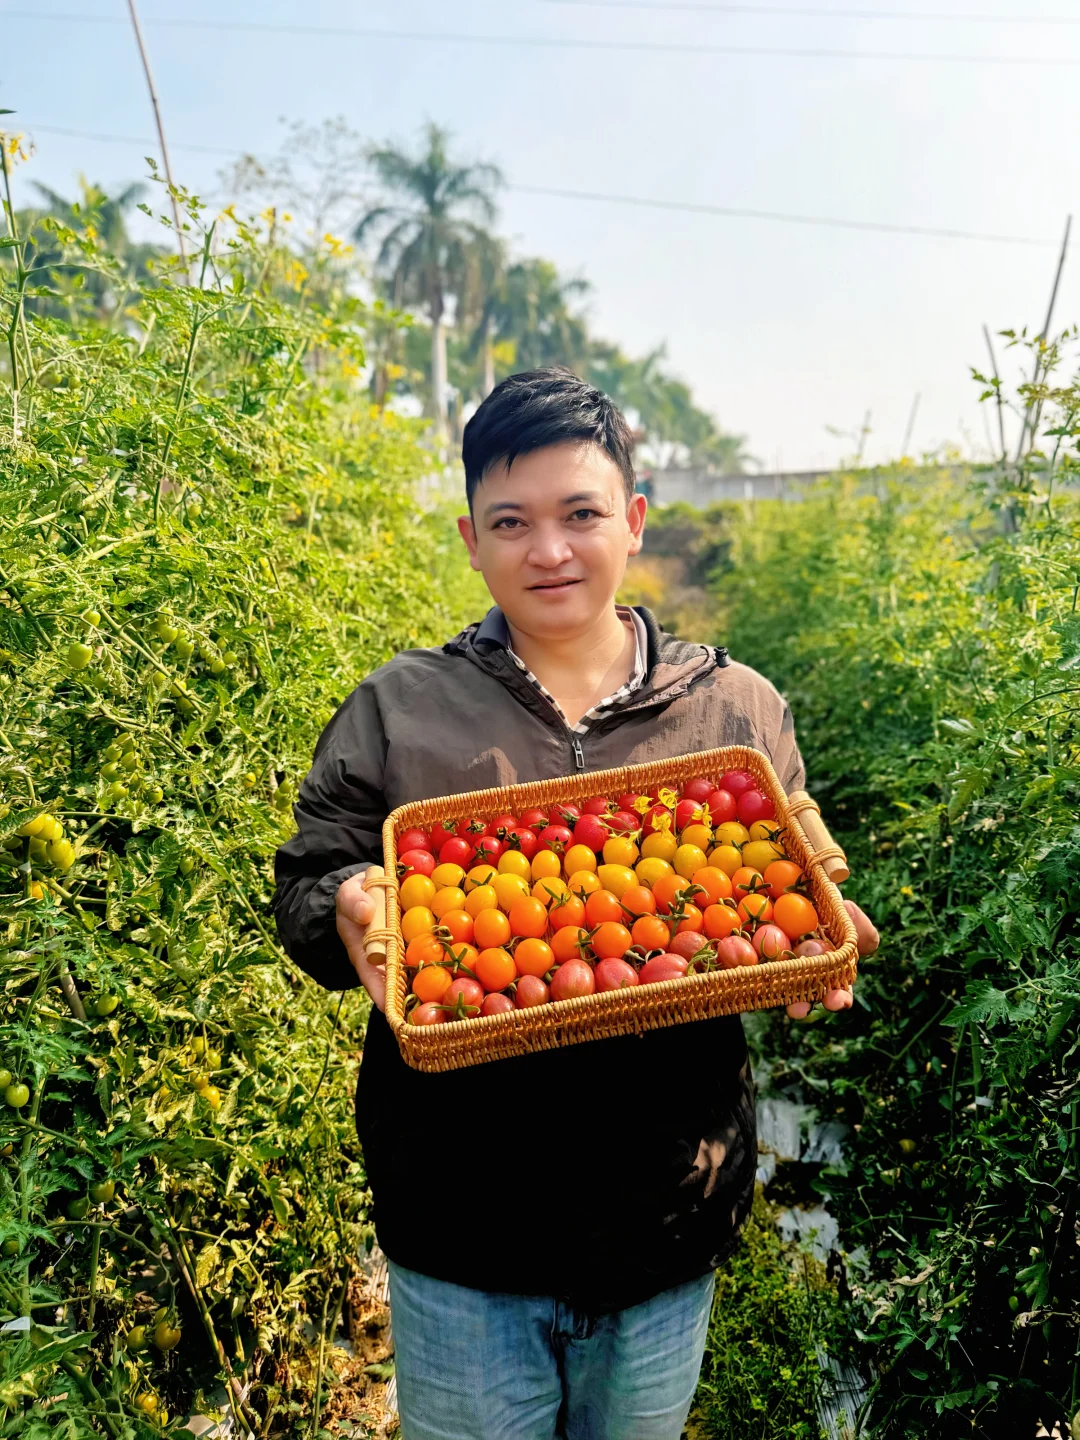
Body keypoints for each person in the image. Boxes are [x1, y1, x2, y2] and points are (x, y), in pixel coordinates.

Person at [273, 368, 879, 1440]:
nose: (547, 550)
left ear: (634, 523)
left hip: (664, 1216)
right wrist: (349, 905)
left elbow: (794, 854)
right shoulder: (399, 708)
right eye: (511, 522)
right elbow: (308, 878)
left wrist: (816, 932)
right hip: (460, 1228)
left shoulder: (734, 709)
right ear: (469, 538)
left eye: (580, 515)